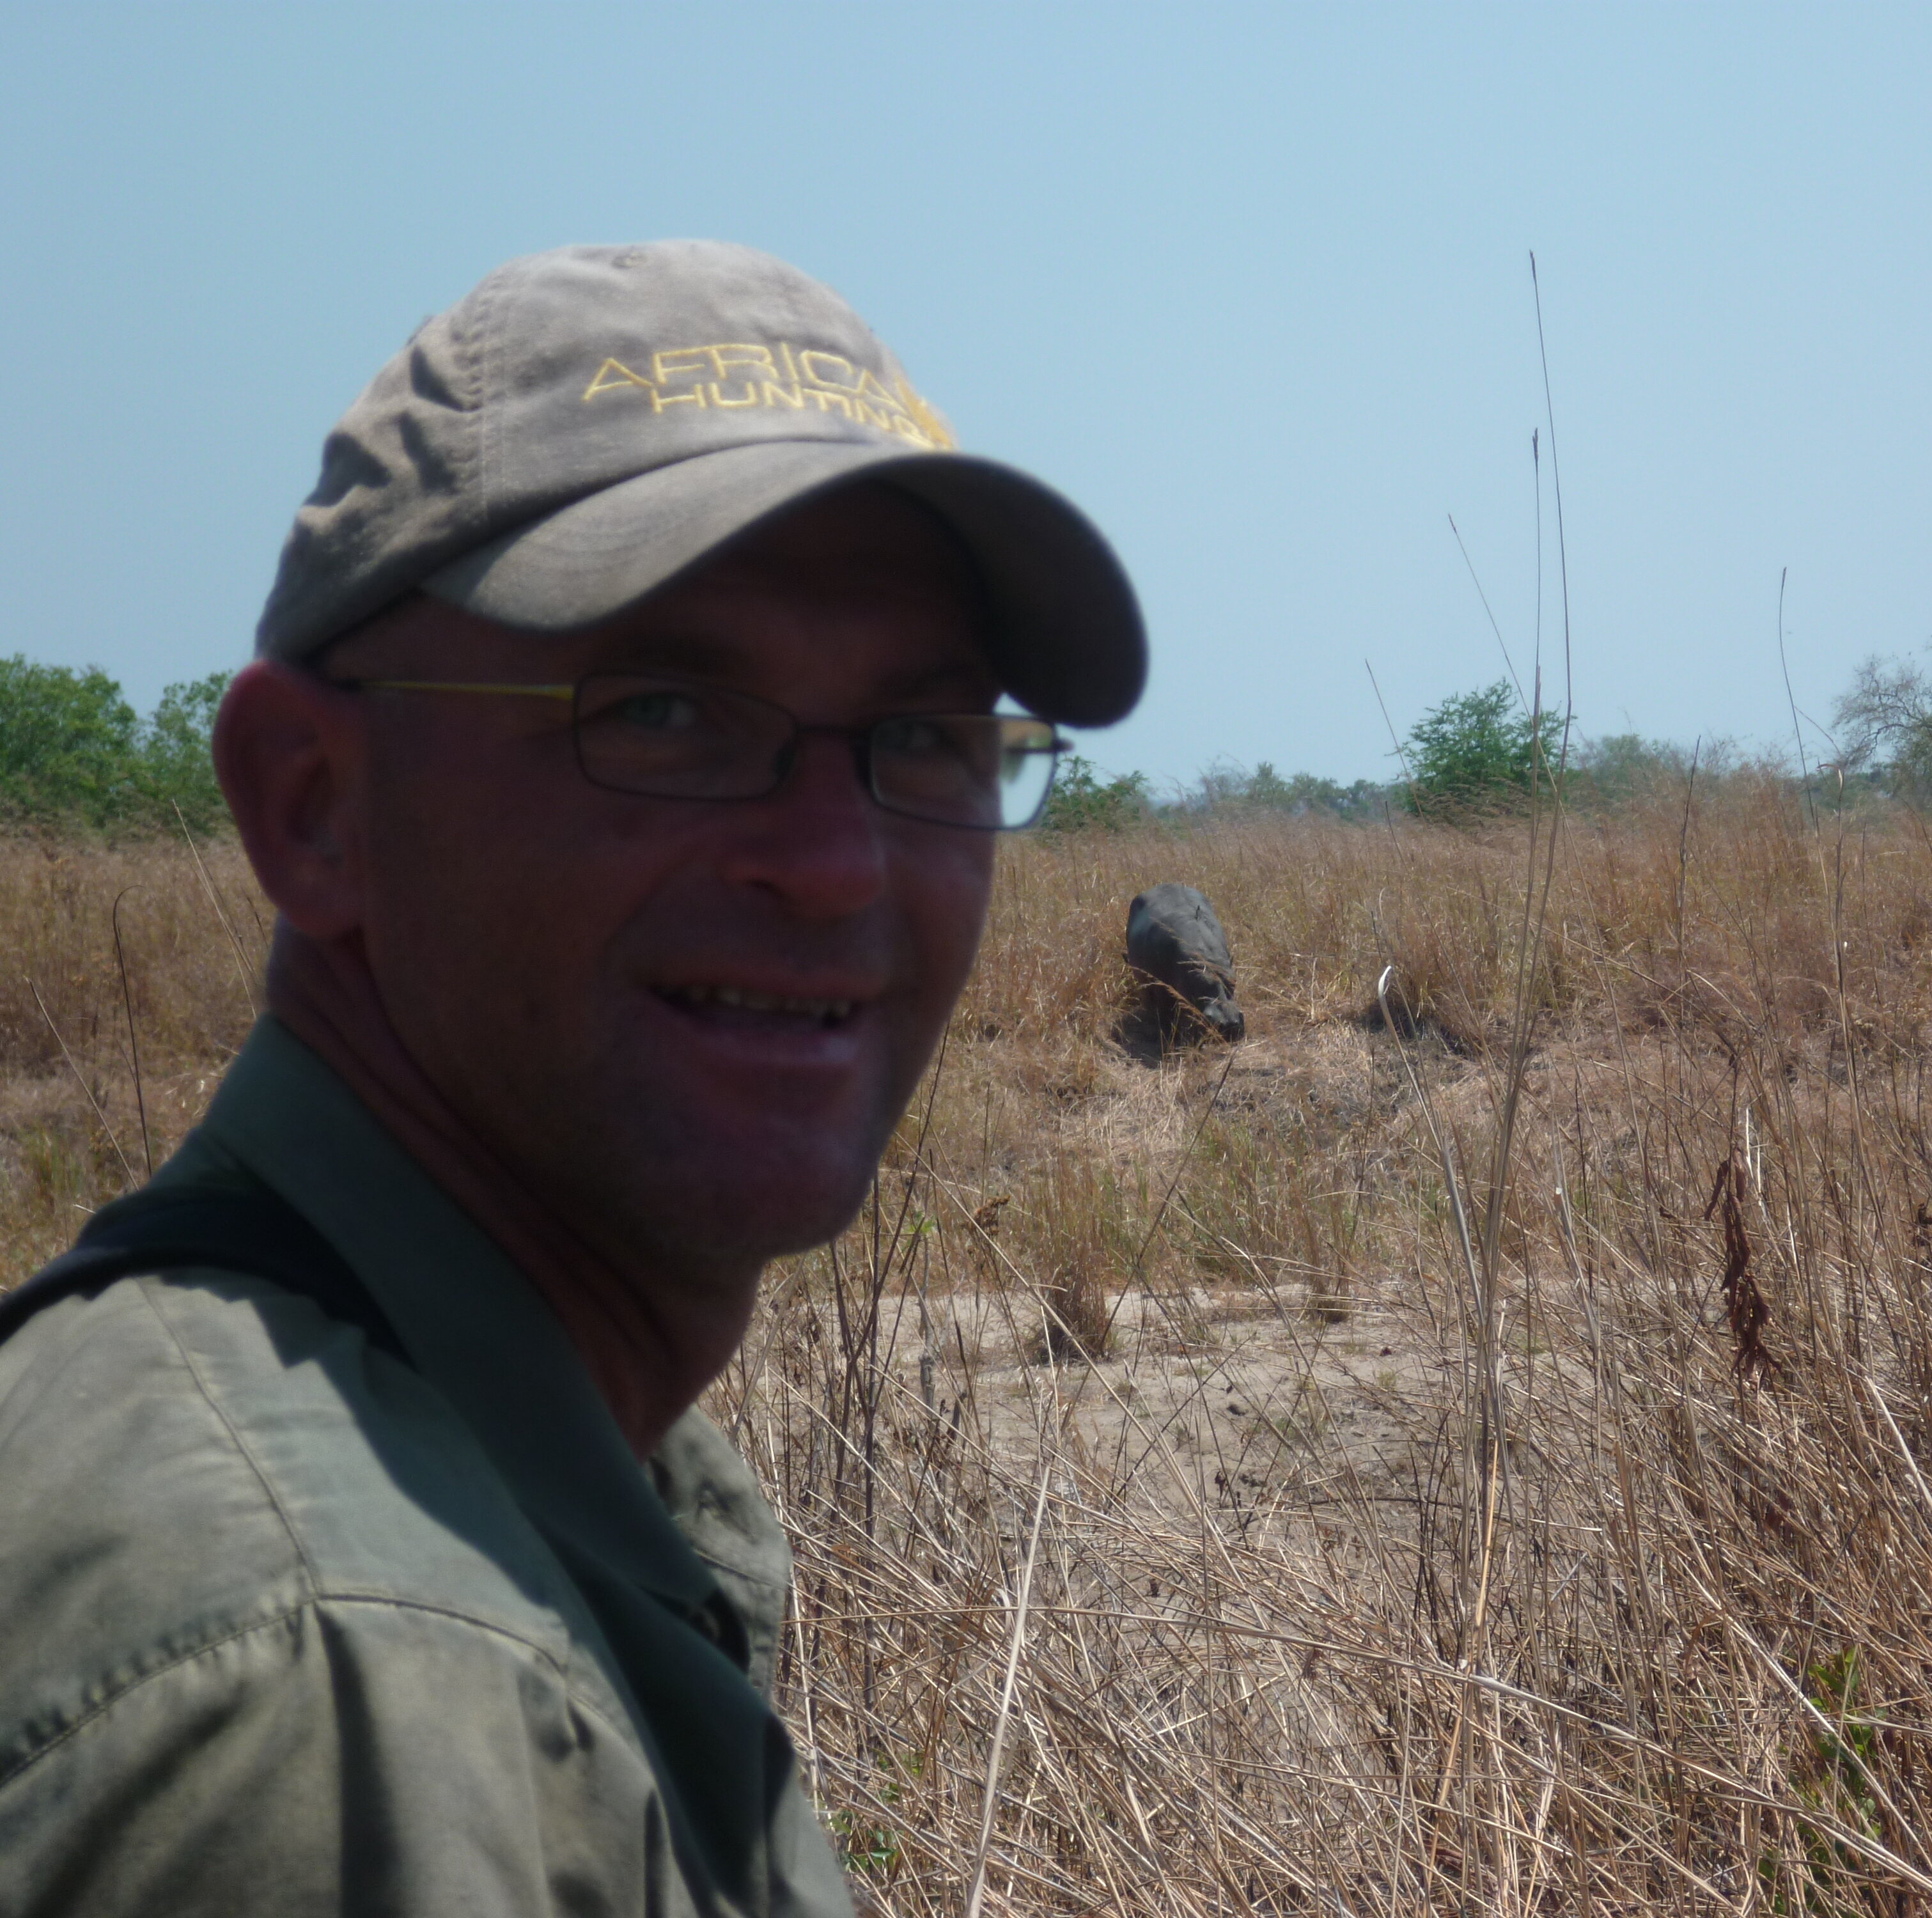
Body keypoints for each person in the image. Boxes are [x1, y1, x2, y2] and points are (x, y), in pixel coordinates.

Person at [0, 240, 1143, 1916]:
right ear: (313, 804)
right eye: (666, 709)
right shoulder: (342, 1692)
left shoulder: (439, 1458)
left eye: (925, 737)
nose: (834, 863)